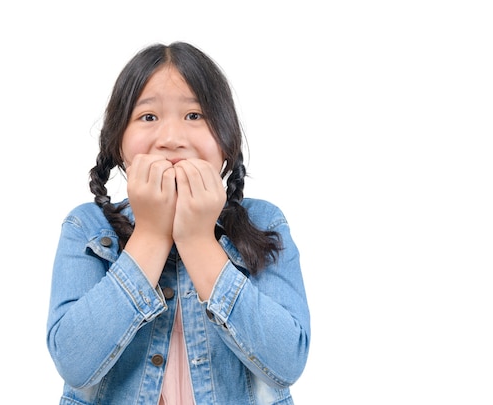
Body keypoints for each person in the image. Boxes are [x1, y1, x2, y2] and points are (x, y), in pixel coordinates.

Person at [46, 41, 310, 405]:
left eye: (195, 116)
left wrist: (198, 240)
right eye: (148, 117)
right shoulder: (87, 227)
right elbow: (74, 362)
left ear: (226, 140)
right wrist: (152, 234)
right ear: (118, 142)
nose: (171, 139)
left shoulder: (265, 221)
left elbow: (286, 363)